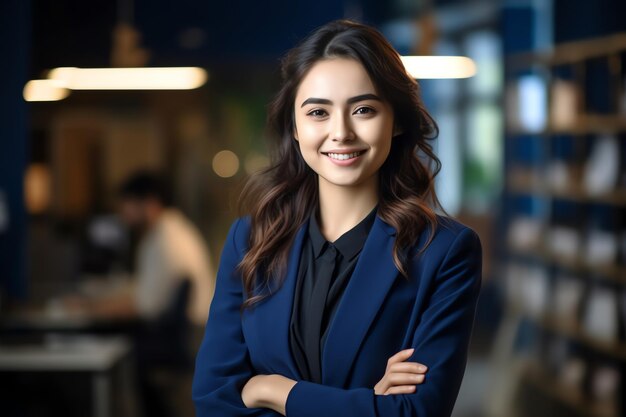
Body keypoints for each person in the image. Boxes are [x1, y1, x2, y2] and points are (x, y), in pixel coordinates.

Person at [192, 19, 482, 417]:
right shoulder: (250, 240)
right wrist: (364, 403)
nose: (341, 132)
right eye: (318, 112)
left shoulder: (444, 252)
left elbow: (418, 411)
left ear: (395, 121)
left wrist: (274, 390)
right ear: (294, 126)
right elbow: (213, 401)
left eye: (363, 109)